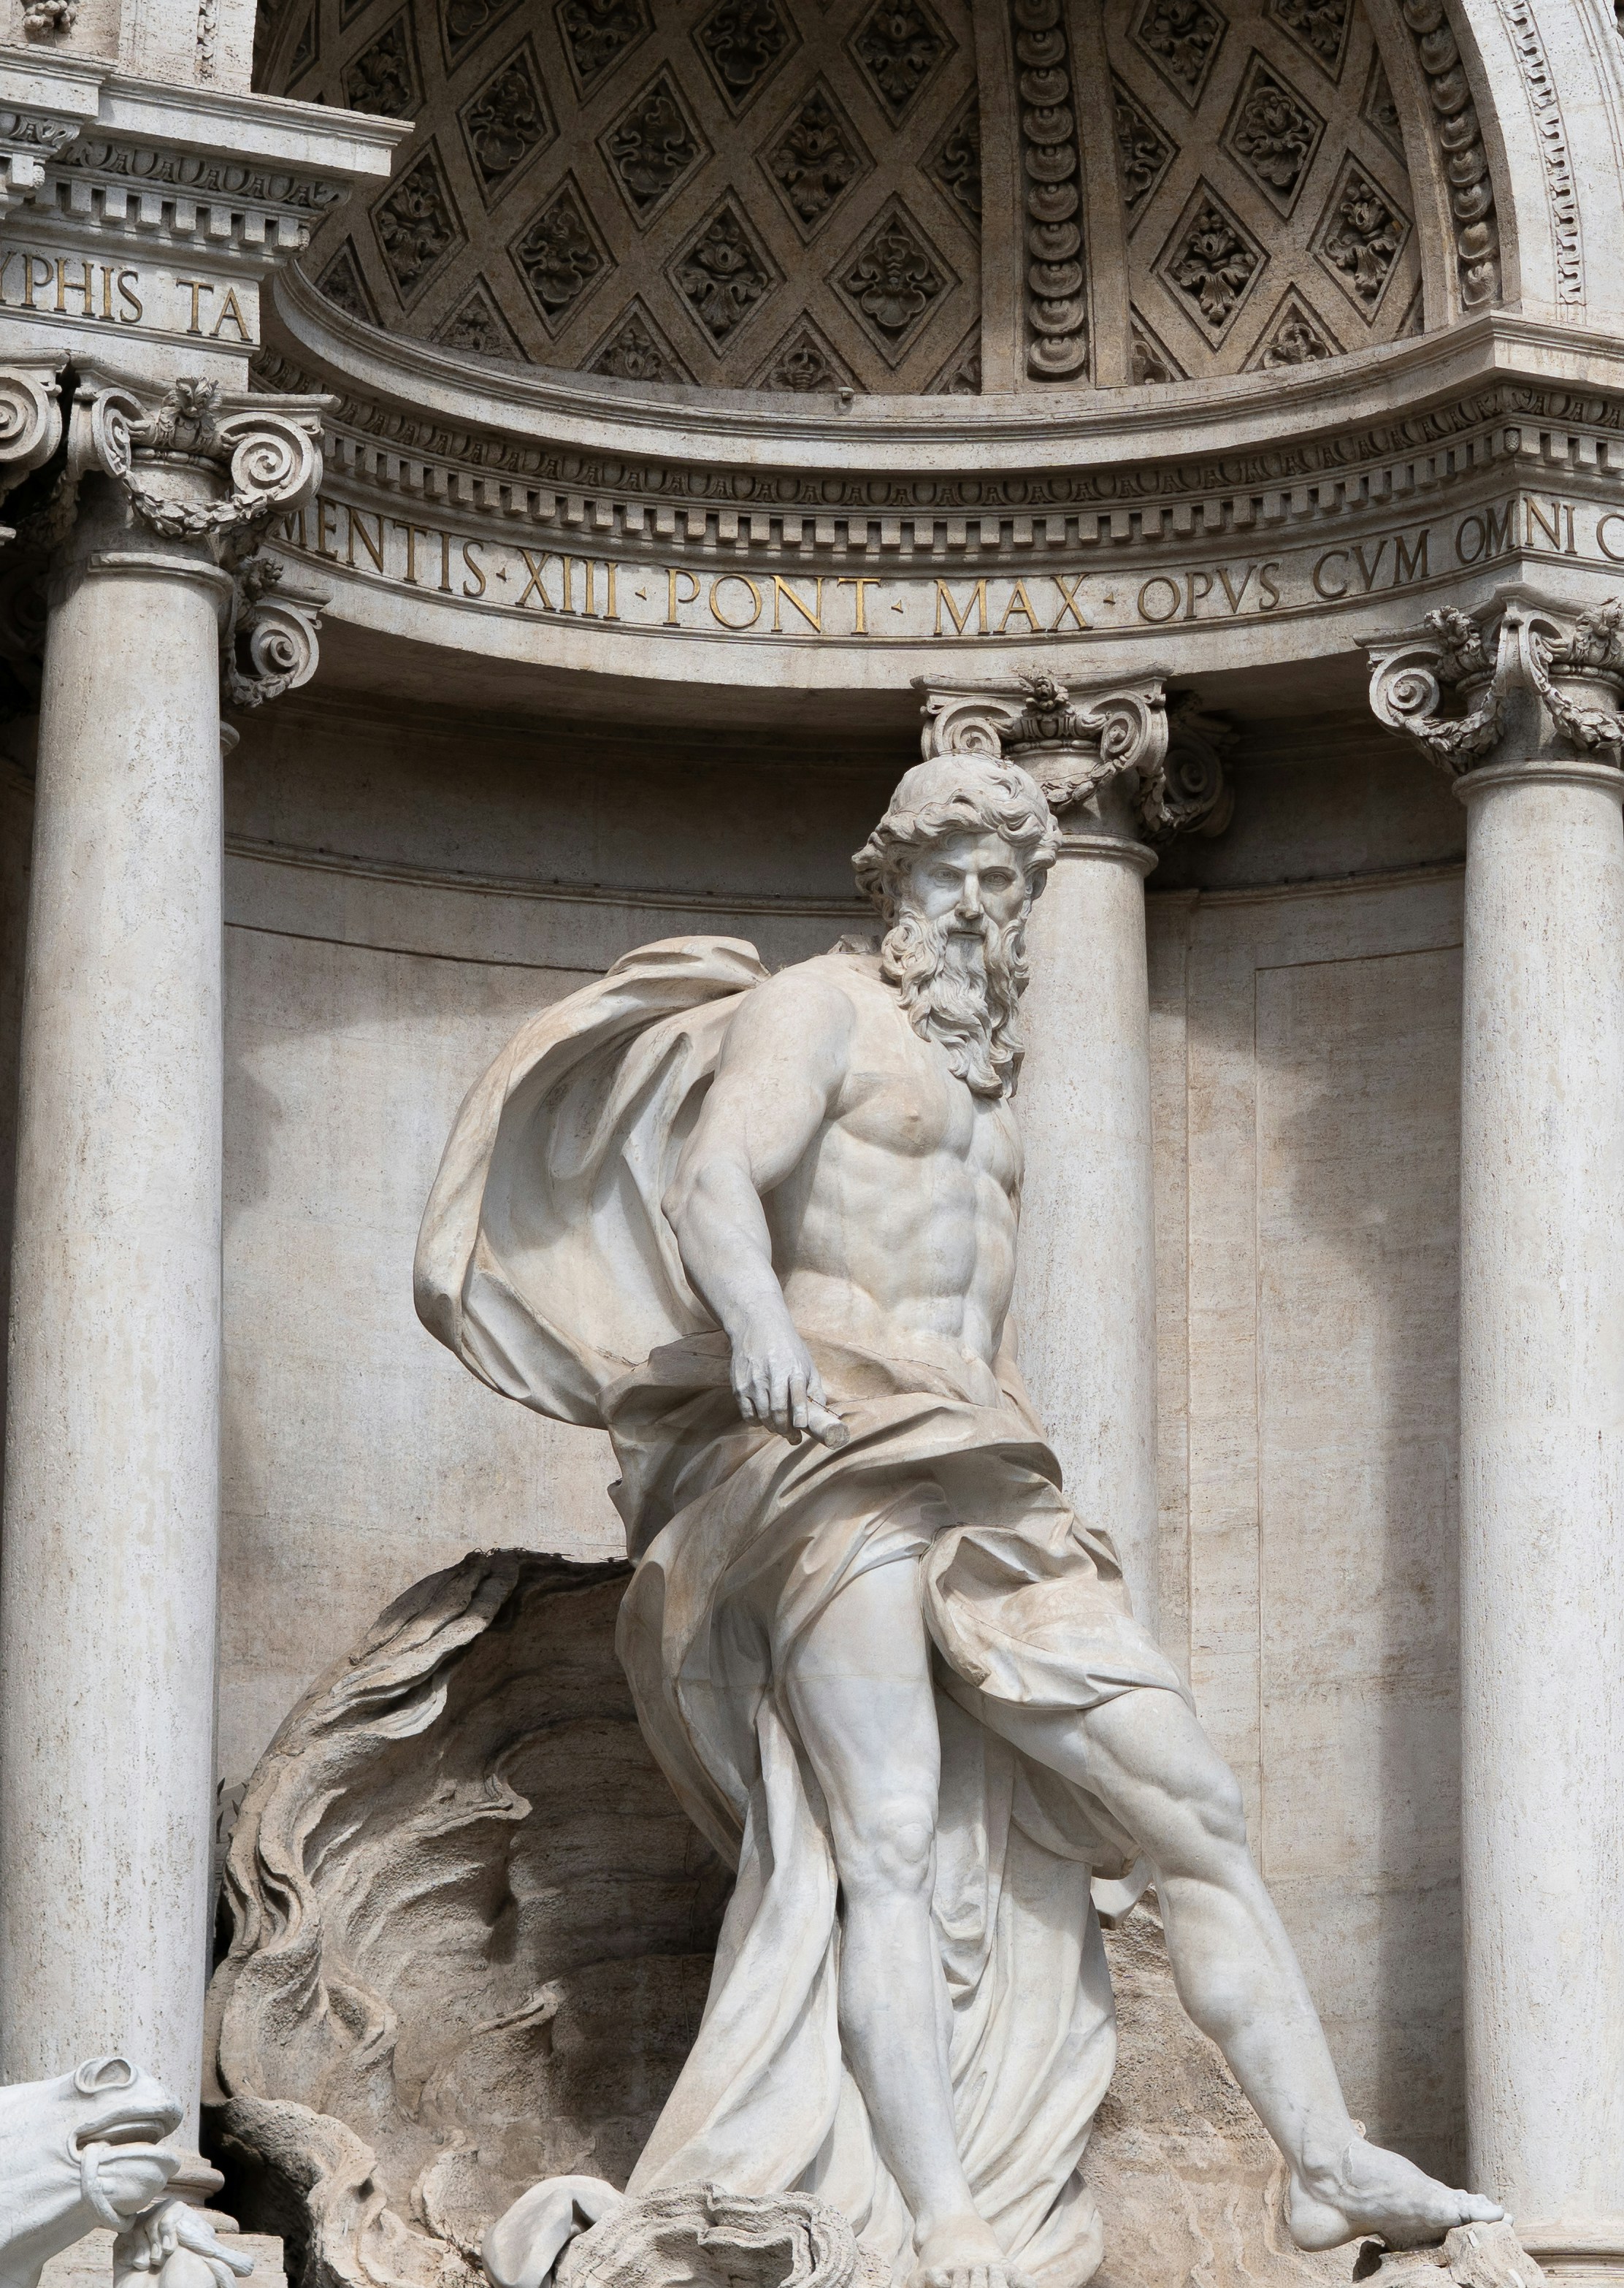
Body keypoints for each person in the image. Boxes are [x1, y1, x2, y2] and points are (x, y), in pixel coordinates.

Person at [418, 748, 1500, 2288]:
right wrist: (760, 1330)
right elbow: (717, 1181)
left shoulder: (992, 1068)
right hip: (827, 1450)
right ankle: (943, 2217)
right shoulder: (818, 1007)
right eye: (952, 874)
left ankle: (1323, 2162)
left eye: (1008, 880)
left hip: (984, 1465)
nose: (983, 903)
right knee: (889, 1844)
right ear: (892, 880)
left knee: (1190, 1804)